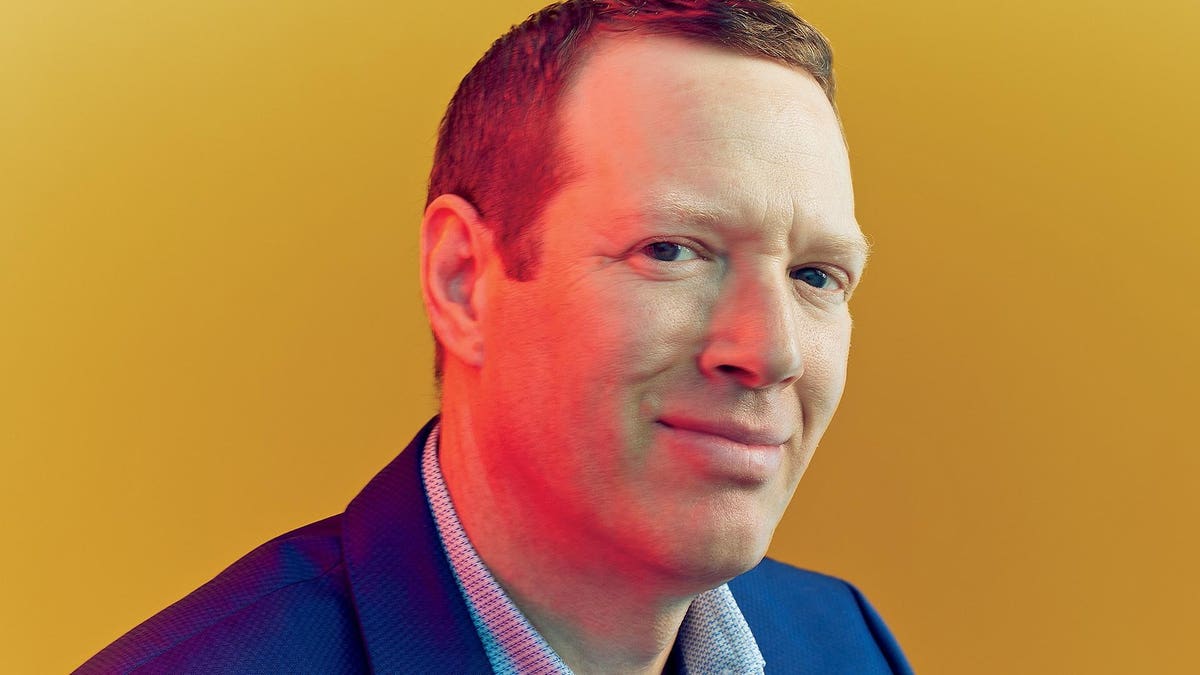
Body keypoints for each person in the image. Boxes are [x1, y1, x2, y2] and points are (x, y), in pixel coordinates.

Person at [78, 1, 912, 673]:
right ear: (463, 281)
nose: (770, 353)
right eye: (670, 251)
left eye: (815, 275)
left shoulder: (844, 643)